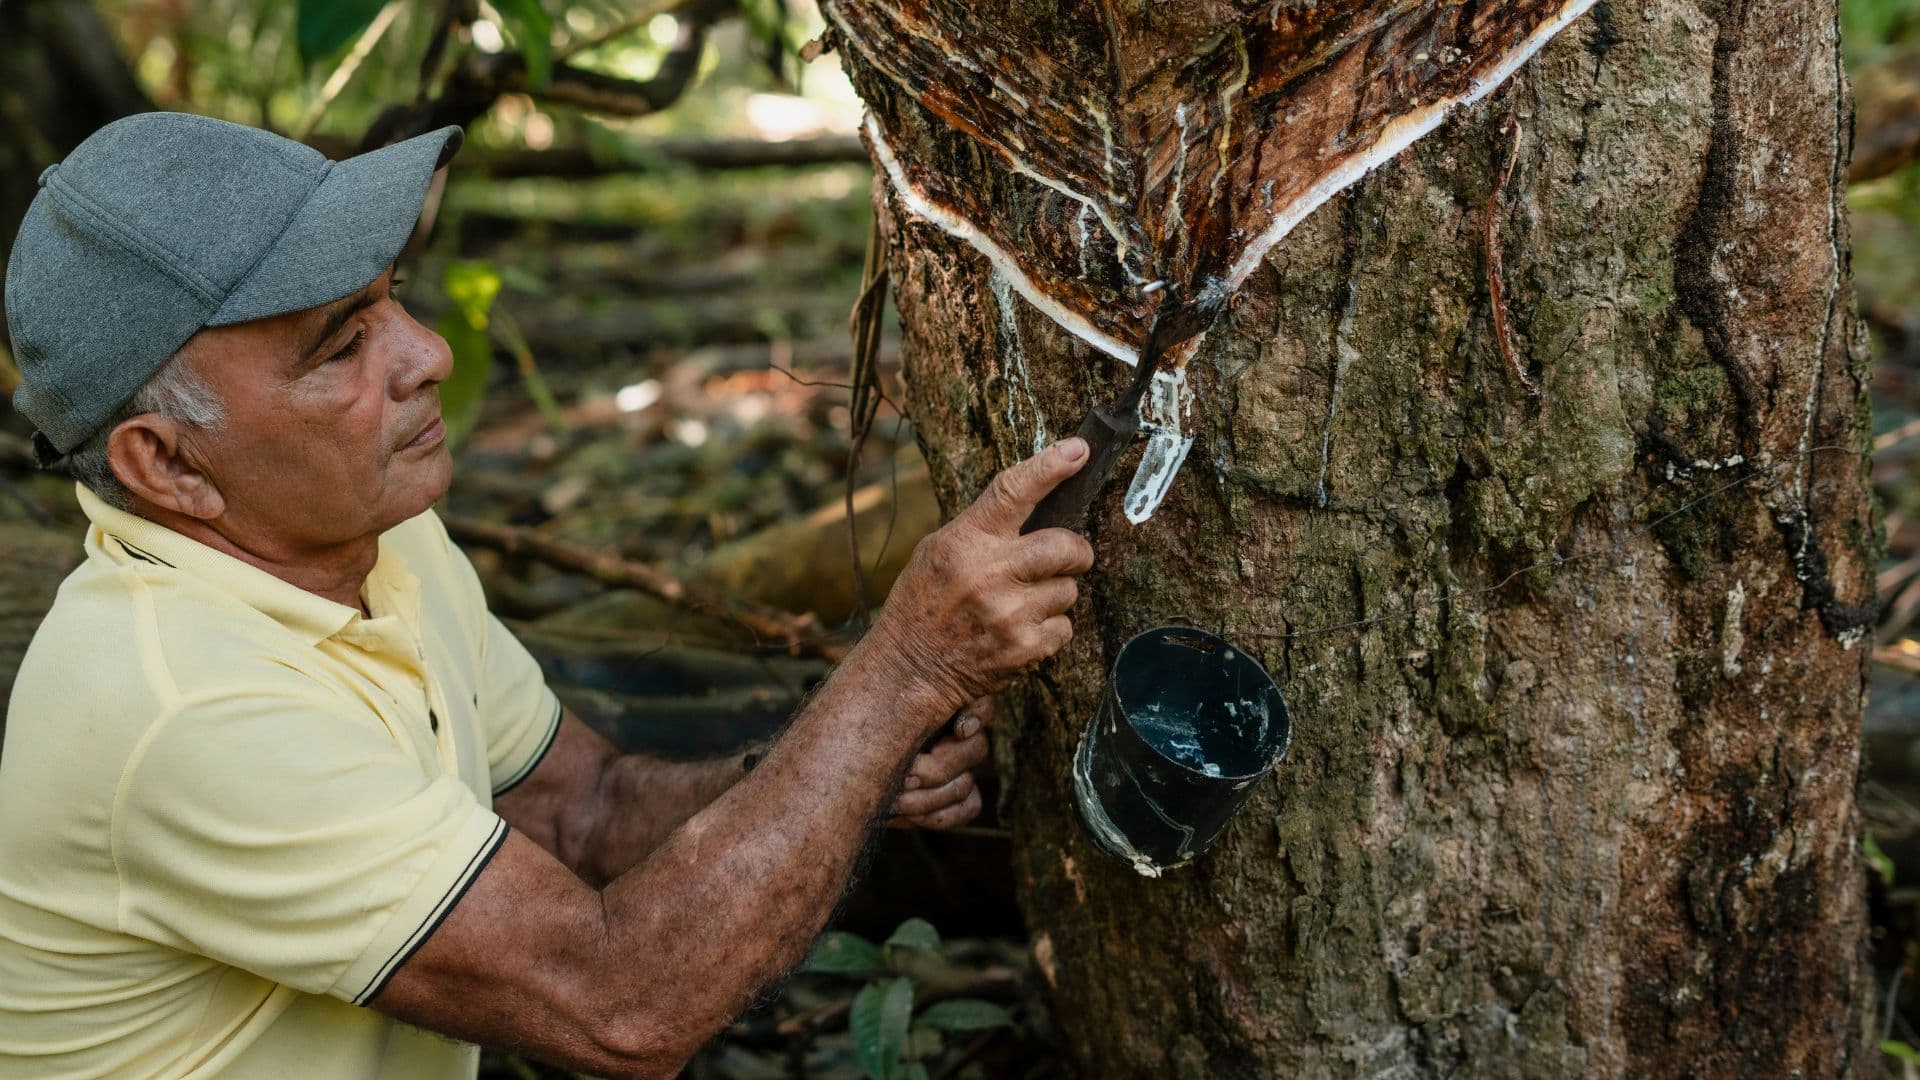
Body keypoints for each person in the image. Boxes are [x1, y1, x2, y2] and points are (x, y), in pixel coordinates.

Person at [0, 113, 1093, 1078]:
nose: (425, 356)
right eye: (339, 347)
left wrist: (842, 776)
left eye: (392, 306)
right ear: (169, 466)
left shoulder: (376, 542)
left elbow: (583, 809)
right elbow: (621, 1007)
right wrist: (903, 672)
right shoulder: (185, 706)